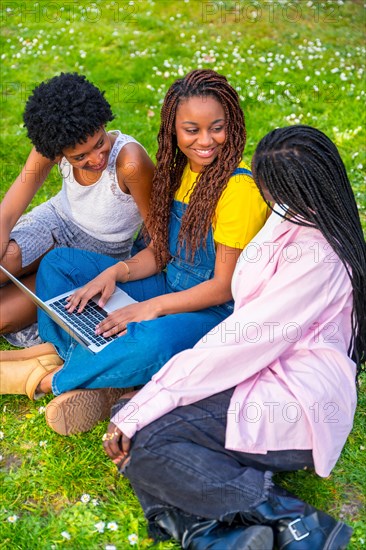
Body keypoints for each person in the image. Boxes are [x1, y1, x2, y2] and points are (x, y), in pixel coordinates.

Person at [102, 125, 366, 549]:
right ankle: (208, 535)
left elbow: (245, 339)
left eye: (268, 187)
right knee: (133, 413)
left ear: (288, 189)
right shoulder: (292, 213)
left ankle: (290, 519)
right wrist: (149, 401)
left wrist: (153, 401)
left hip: (293, 400)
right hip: (258, 371)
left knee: (147, 439)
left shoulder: (318, 255)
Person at [0, 70, 269, 435]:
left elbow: (224, 288)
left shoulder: (239, 191)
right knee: (59, 264)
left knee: (152, 340)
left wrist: (150, 308)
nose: (205, 141)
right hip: (167, 282)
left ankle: (45, 378)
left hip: (211, 310)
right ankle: (100, 368)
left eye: (216, 128)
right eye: (191, 130)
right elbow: (162, 253)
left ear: (232, 125)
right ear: (173, 129)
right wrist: (117, 272)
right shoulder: (181, 173)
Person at [0, 72, 154, 345]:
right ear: (58, 153)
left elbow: (158, 234)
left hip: (95, 252)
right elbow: (10, 209)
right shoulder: (55, 141)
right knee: (6, 262)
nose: (96, 159)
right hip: (55, 223)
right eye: (79, 157)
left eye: (99, 143)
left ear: (103, 122)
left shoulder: (130, 163)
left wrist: (126, 271)